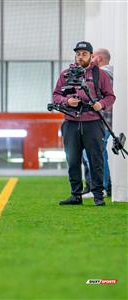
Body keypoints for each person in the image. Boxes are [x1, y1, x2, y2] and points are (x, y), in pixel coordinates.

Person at [53, 41, 115, 206]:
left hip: (93, 123)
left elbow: (110, 96)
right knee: (72, 159)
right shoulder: (66, 74)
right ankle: (76, 195)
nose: (80, 57)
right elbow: (56, 95)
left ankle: (98, 196)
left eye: (84, 54)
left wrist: (101, 104)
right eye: (78, 54)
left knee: (96, 160)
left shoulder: (99, 75)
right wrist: (67, 101)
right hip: (71, 123)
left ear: (90, 56)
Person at [81, 48, 113, 199]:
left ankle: (102, 188)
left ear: (98, 59)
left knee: (96, 156)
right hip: (104, 120)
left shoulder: (103, 74)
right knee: (98, 155)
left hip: (101, 121)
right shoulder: (109, 74)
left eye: (92, 57)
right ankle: (104, 186)